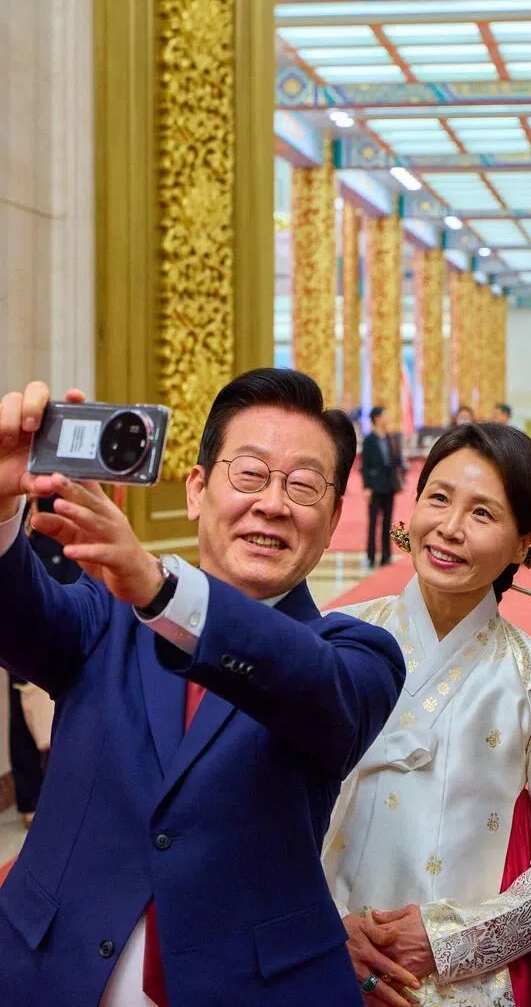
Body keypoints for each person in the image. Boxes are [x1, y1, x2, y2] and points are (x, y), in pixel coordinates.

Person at [0, 370, 406, 1006]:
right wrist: (1, 509)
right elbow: (15, 615)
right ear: (196, 489)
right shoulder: (104, 615)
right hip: (46, 972)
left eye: (302, 486)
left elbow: (320, 695)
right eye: (249, 474)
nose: (272, 503)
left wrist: (165, 591)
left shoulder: (355, 656)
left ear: (330, 523)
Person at [323, 422, 531, 1007]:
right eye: (439, 498)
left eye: (483, 513)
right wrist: (323, 928)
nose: (449, 529)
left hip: (463, 984)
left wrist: (447, 941)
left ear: (524, 543)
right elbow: (262, 807)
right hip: (322, 956)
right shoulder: (335, 641)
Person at [6, 497, 82, 828]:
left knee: (65, 720)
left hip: (61, 632)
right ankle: (28, 797)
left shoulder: (63, 536)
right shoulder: (15, 535)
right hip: (18, 636)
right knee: (20, 720)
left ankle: (67, 795)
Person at [362, 405, 405, 568]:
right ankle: (371, 555)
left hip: (389, 486)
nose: (387, 419)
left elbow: (396, 460)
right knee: (373, 523)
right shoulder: (369, 439)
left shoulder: (390, 438)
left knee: (388, 522)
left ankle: (386, 556)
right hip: (374, 486)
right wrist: (366, 486)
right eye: (385, 416)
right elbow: (365, 465)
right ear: (377, 418)